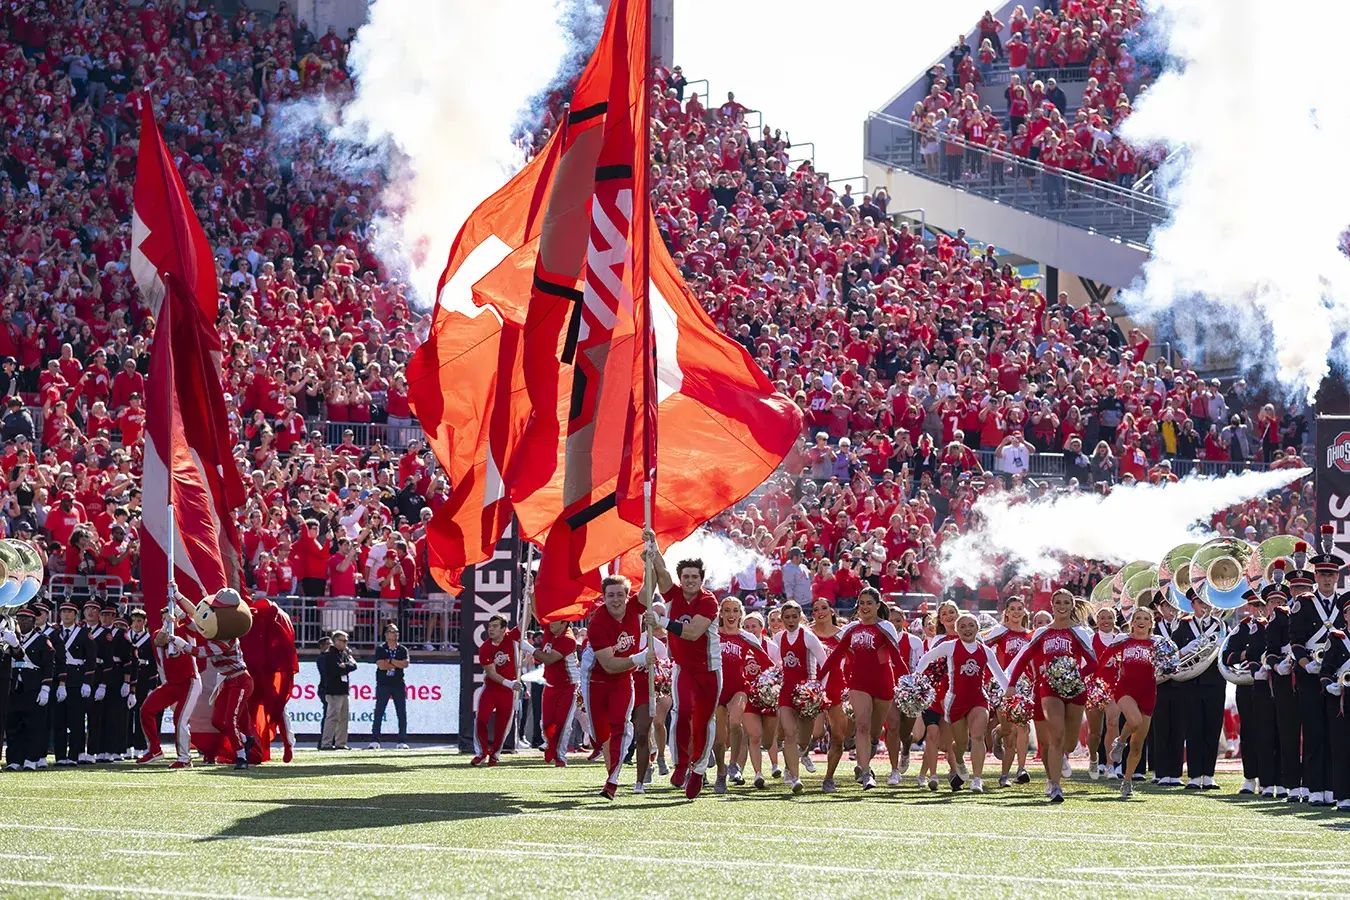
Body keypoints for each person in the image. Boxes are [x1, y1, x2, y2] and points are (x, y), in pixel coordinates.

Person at [643, 530, 721, 799]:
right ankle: (680, 764)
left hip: (709, 670)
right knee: (682, 712)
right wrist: (652, 546)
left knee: (702, 722)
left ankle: (698, 770)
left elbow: (692, 632)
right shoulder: (673, 594)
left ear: (702, 579)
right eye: (685, 576)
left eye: (694, 577)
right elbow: (662, 572)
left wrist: (661, 622)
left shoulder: (709, 601)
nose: (689, 580)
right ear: (681, 579)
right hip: (684, 668)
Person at [1005, 589, 1097, 803]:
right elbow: (1023, 658)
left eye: (1066, 602)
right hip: (1049, 688)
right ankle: (1055, 785)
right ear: (1052, 604)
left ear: (1072, 606)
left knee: (1069, 744)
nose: (1062, 606)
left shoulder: (1079, 632)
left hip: (1075, 690)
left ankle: (1061, 763)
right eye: (1058, 602)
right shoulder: (1042, 632)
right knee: (1055, 736)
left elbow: (1093, 663)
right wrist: (1011, 684)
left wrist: (1075, 674)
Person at [819, 588, 908, 791]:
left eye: (869, 603)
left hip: (883, 683)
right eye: (862, 603)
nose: (865, 607)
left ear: (878, 606)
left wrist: (909, 681)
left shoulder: (885, 626)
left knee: (875, 733)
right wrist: (818, 679)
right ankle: (866, 773)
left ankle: (868, 749)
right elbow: (835, 657)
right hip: (858, 683)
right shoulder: (851, 629)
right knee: (862, 725)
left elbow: (896, 657)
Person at [914, 611, 1009, 793]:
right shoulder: (950, 646)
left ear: (977, 629)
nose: (967, 629)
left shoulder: (985, 650)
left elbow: (1000, 676)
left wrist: (1011, 694)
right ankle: (958, 760)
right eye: (963, 626)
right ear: (957, 630)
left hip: (979, 699)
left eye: (971, 626)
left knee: (978, 736)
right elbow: (927, 658)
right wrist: (916, 680)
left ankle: (977, 779)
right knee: (961, 743)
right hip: (955, 701)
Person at [580, 575, 650, 799]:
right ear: (603, 597)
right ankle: (599, 745)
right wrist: (639, 659)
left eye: (621, 594)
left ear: (628, 596)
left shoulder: (635, 608)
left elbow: (650, 587)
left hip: (623, 680)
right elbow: (609, 665)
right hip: (596, 680)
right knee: (600, 735)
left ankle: (612, 781)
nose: (616, 600)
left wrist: (652, 553)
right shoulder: (598, 623)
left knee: (620, 726)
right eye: (611, 595)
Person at [1292, 527, 1346, 806]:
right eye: (1323, 575)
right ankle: (1315, 789)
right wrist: (1305, 664)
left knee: (1336, 736)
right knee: (1313, 733)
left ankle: (1336, 790)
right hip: (1311, 676)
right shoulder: (1304, 603)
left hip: (1340, 679)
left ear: (1338, 577)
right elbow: (1296, 642)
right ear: (1316, 577)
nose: (1327, 579)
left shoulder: (1344, 604)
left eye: (1331, 575)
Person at [1100, 606, 1161, 799]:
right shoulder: (1123, 640)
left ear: (1151, 623)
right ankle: (1119, 742)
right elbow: (1103, 660)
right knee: (1134, 721)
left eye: (1145, 619)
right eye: (1137, 618)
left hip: (1148, 692)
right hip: (1125, 689)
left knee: (1137, 745)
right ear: (1131, 622)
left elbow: (1171, 662)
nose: (1141, 622)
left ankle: (1127, 781)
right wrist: (1098, 681)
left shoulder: (1158, 643)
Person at [769, 600, 827, 794]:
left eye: (794, 617)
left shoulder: (809, 637)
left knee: (804, 739)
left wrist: (819, 690)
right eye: (787, 617)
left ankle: (792, 762)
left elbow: (824, 663)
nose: (791, 620)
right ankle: (795, 778)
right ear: (782, 619)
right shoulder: (778, 638)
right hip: (786, 692)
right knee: (789, 733)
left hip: (806, 694)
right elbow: (778, 663)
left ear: (801, 617)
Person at [137, 607, 202, 768]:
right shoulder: (159, 633)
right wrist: (167, 625)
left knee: (180, 719)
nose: (169, 620)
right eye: (164, 618)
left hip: (190, 682)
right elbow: (159, 640)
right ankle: (154, 749)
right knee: (146, 710)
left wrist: (180, 614)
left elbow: (195, 627)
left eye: (170, 617)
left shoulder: (185, 630)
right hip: (171, 684)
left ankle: (184, 759)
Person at [1178, 591, 1227, 790]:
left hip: (1215, 682)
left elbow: (1227, 652)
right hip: (1191, 683)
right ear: (1192, 604)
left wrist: (1221, 645)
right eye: (1200, 602)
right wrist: (1187, 648)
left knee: (1212, 729)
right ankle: (1194, 775)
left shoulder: (1222, 626)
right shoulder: (1183, 625)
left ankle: (1209, 775)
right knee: (1194, 729)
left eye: (1207, 601)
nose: (1204, 605)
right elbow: (1173, 654)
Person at [983, 597, 1033, 786]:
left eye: (1020, 608)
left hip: (1024, 685)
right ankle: (997, 734)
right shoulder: (1000, 632)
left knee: (1023, 727)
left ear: (1024, 611)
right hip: (1003, 684)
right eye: (1012, 608)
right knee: (1008, 731)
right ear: (1006, 612)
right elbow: (979, 645)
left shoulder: (1031, 635)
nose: (1016, 612)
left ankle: (1019, 770)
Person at [4, 606, 53, 770]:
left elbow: (48, 665)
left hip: (33, 687)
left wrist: (45, 688)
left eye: (27, 619)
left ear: (33, 622)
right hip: (14, 687)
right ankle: (14, 759)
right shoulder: (9, 637)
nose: (23, 622)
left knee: (34, 725)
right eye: (20, 619)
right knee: (13, 725)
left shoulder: (42, 640)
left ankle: (31, 759)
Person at [531, 612, 580, 768]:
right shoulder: (551, 629)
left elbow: (549, 659)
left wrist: (528, 648)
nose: (550, 622)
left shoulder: (568, 639)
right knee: (546, 724)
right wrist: (531, 593)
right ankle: (552, 745)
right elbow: (538, 613)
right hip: (551, 684)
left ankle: (560, 756)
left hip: (569, 685)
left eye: (555, 620)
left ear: (564, 623)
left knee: (563, 723)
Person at [51, 599, 96, 766]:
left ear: (76, 615)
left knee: (76, 721)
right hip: (59, 681)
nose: (66, 614)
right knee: (59, 720)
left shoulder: (84, 633)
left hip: (77, 680)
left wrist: (87, 682)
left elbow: (91, 659)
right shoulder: (54, 633)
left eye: (69, 612)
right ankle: (60, 756)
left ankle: (74, 755)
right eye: (63, 612)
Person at [471, 615, 521, 767]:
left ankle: (495, 755)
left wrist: (530, 596)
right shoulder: (485, 647)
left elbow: (524, 620)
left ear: (503, 629)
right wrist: (509, 683)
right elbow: (492, 673)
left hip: (507, 692)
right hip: (492, 688)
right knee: (481, 719)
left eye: (494, 626)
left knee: (503, 725)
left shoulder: (511, 638)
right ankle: (481, 753)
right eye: (489, 626)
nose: (490, 629)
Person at [1085, 605, 1123, 780]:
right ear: (1096, 621)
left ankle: (1110, 765)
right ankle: (1094, 758)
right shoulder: (1090, 640)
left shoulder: (1120, 640)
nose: (1106, 621)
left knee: (1113, 724)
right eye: (1102, 618)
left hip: (1114, 688)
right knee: (1095, 733)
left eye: (1109, 618)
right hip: (1093, 688)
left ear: (1114, 620)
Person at [369, 622, 410, 750]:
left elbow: (405, 664)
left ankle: (402, 741)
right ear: (386, 634)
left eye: (396, 631)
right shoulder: (381, 649)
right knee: (379, 712)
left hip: (398, 684)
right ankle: (375, 740)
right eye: (392, 631)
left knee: (401, 712)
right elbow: (381, 665)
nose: (395, 634)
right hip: (384, 684)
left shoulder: (402, 649)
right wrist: (396, 664)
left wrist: (391, 661)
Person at [320, 630, 358, 752]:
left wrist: (345, 666)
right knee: (332, 717)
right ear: (336, 641)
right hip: (333, 690)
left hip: (344, 690)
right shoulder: (329, 654)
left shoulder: (344, 654)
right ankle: (326, 743)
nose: (345, 643)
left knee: (344, 717)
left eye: (346, 641)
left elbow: (354, 666)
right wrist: (345, 667)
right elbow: (334, 670)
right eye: (343, 641)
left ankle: (341, 743)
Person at [127, 609, 157, 756]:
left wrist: (152, 685)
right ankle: (126, 746)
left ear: (144, 622)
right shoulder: (126, 637)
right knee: (125, 713)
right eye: (134, 620)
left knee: (141, 712)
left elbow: (154, 664)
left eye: (139, 621)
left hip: (144, 678)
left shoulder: (150, 639)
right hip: (128, 679)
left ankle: (140, 745)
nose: (136, 624)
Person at [315, 635, 332, 746]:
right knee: (328, 714)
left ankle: (331, 738)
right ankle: (324, 740)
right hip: (325, 689)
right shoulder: (322, 658)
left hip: (331, 688)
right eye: (328, 644)